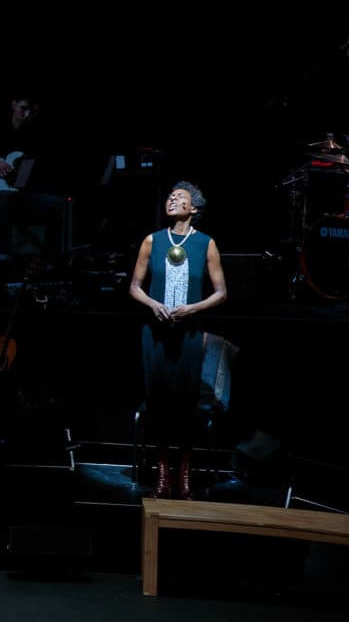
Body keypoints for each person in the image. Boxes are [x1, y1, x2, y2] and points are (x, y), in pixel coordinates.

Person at [129, 181, 227, 500]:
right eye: (170, 196)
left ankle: (183, 474)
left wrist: (193, 308)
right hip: (155, 334)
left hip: (188, 334)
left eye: (180, 198)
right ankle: (162, 472)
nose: (172, 200)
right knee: (157, 400)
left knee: (185, 403)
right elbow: (134, 287)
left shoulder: (206, 244)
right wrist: (154, 304)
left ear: (193, 208)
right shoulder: (152, 241)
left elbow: (221, 292)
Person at [0, 92, 68, 276]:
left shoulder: (34, 138)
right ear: (13, 105)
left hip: (21, 192)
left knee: (58, 203)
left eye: (32, 111)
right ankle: (2, 256)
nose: (27, 114)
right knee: (2, 198)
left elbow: (31, 173)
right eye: (23, 108)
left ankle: (51, 260)